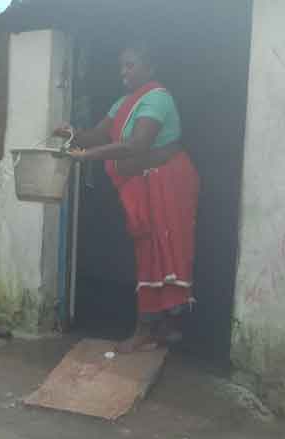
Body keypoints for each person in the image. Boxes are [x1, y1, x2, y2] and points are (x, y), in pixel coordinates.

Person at [55, 44, 200, 353]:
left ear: (150, 68)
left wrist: (90, 155)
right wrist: (72, 134)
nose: (124, 72)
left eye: (130, 66)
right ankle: (160, 328)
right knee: (148, 249)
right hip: (143, 184)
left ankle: (150, 329)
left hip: (167, 183)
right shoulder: (123, 103)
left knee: (160, 249)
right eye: (121, 67)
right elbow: (97, 135)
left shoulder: (158, 98)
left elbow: (137, 144)